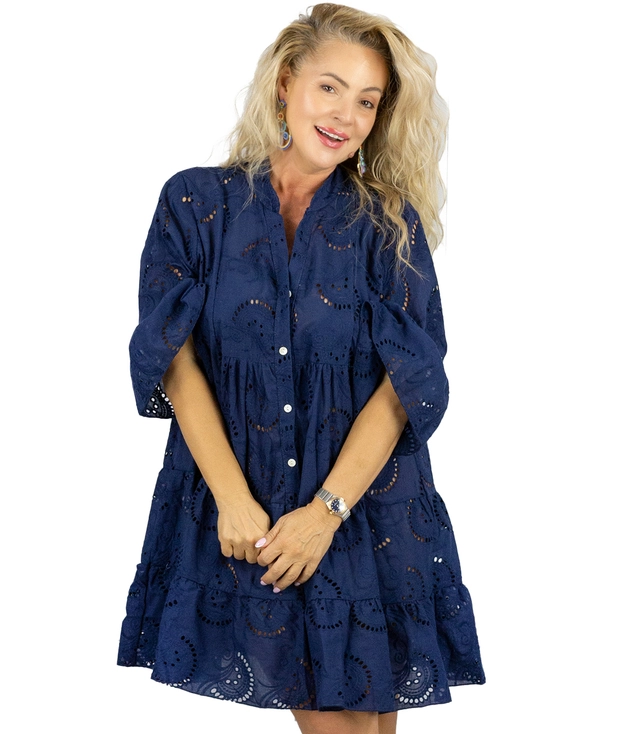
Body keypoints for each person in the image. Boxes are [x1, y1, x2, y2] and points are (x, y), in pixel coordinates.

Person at [117, 4, 485, 733]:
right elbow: (174, 359)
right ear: (286, 84)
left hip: (364, 509)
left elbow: (406, 385)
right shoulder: (195, 204)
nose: (346, 115)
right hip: (249, 509)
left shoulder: (387, 223)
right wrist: (231, 498)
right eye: (330, 87)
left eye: (368, 101)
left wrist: (326, 514)